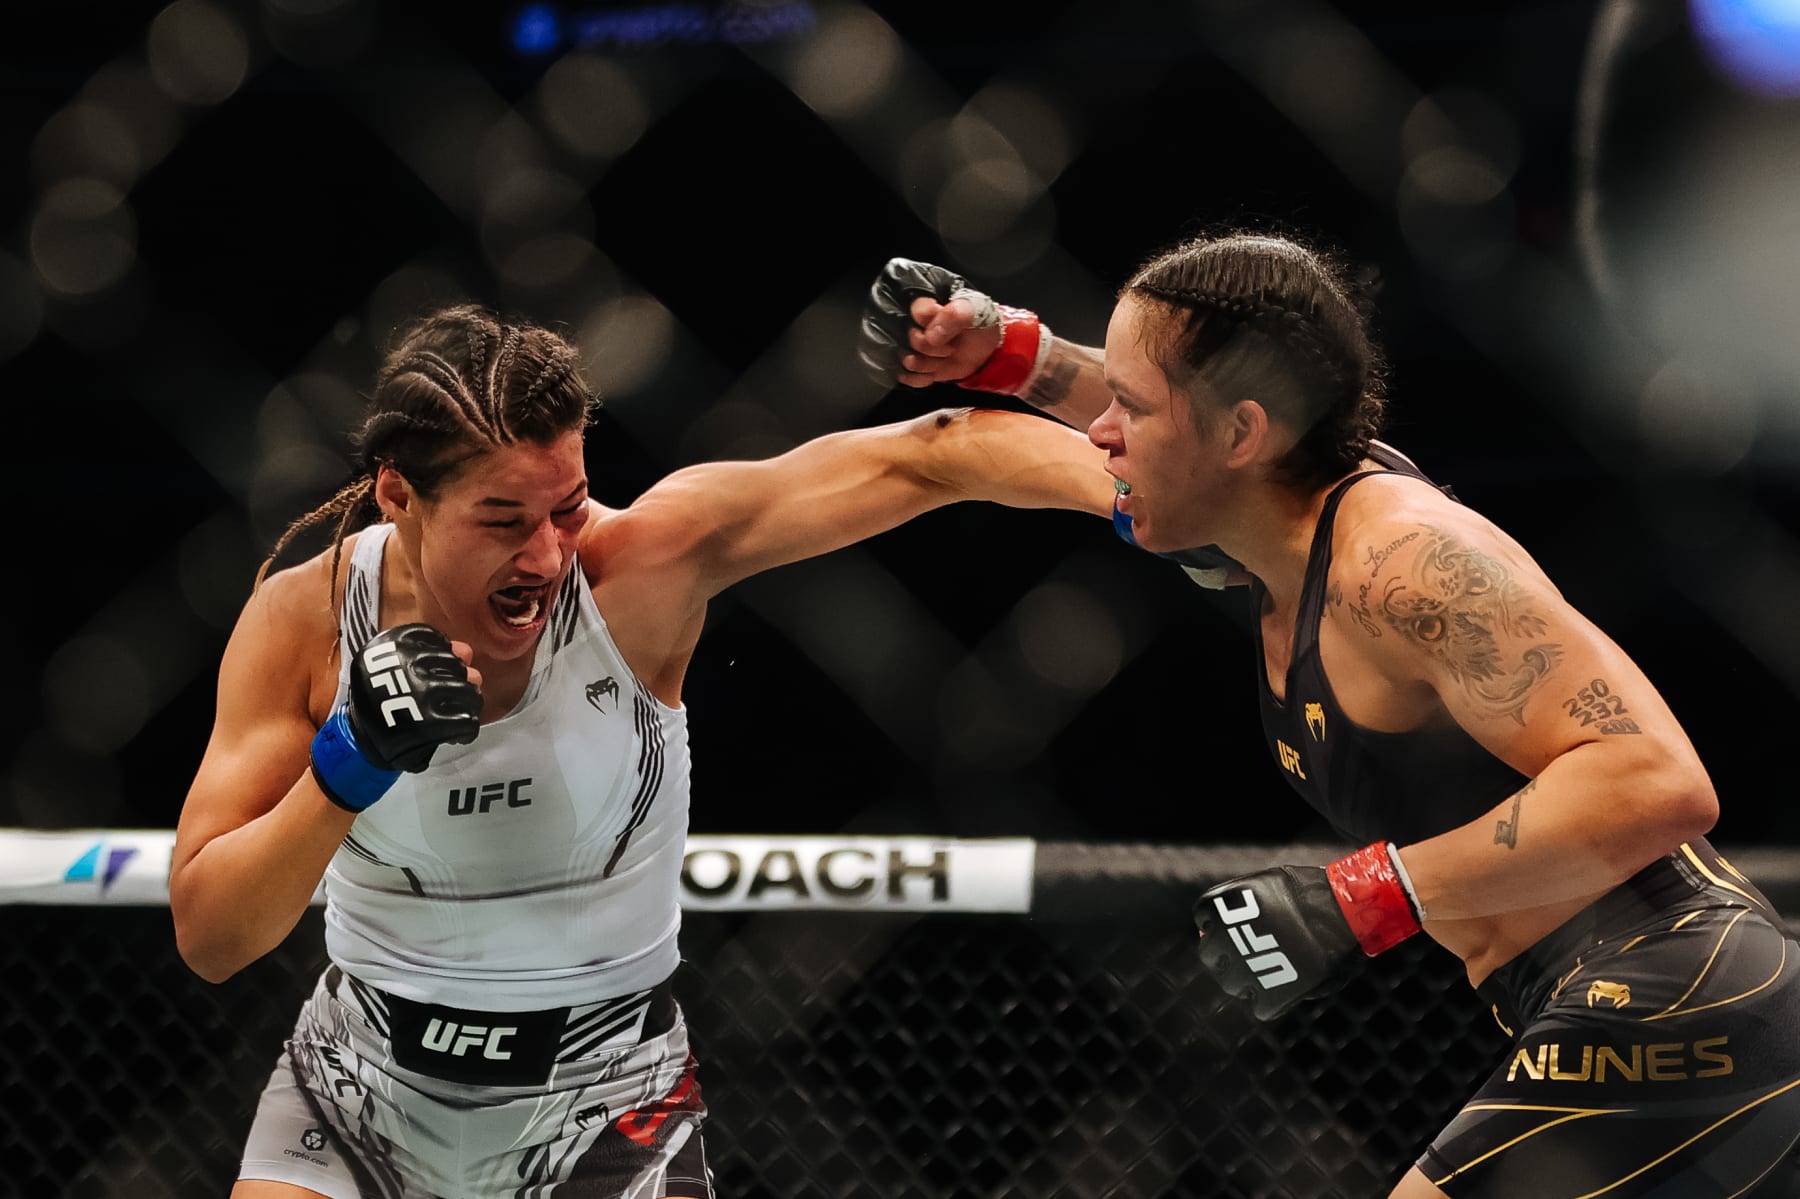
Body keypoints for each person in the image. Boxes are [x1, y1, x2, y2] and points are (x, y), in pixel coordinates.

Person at [858, 240, 1800, 1196]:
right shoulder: (1276, 545)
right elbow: (1191, 419)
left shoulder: (1398, 561)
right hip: (1617, 999)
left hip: (1680, 984)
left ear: (1243, 435)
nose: (1101, 432)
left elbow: (1658, 780)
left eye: (1129, 409)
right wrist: (1017, 357)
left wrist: (1361, 896)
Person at [169, 302, 1116, 1199]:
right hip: (355, 1081)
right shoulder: (309, 619)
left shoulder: (639, 570)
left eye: (567, 507)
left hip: (603, 1095)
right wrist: (347, 764)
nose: (545, 556)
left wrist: (1135, 498)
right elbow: (212, 939)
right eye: (505, 519)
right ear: (397, 494)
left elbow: (934, 455)